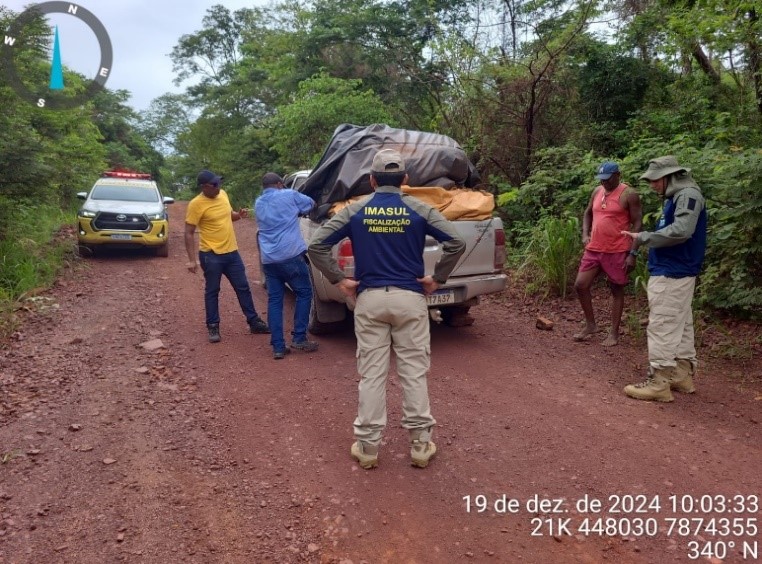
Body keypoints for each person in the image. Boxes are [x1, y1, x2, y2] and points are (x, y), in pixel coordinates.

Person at [308, 149, 466, 470]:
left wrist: (340, 280)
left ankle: (367, 447)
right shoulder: (419, 208)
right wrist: (437, 278)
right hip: (410, 299)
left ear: (372, 180)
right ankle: (421, 445)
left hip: (369, 300)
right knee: (413, 372)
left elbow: (316, 245)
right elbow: (456, 242)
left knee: (372, 374)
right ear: (405, 180)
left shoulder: (356, 210)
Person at [621, 156, 707, 402]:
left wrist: (644, 237)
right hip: (676, 269)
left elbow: (681, 231)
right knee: (680, 322)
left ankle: (658, 382)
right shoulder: (679, 196)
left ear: (670, 176)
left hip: (673, 270)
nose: (652, 185)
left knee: (662, 323)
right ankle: (681, 375)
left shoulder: (687, 195)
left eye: (655, 180)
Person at [185, 170, 269, 343]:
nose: (218, 187)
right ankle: (213, 326)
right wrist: (192, 260)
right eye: (214, 184)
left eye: (219, 183)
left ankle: (254, 322)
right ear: (204, 187)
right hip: (211, 255)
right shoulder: (196, 204)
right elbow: (188, 232)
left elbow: (229, 216)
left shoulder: (223, 194)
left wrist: (239, 215)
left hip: (232, 253)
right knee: (212, 291)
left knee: (243, 287)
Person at [573, 161, 642, 347]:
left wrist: (633, 253)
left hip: (617, 249)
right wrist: (585, 234)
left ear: (617, 175)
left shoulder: (629, 194)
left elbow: (638, 224)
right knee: (580, 284)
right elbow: (588, 213)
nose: (604, 182)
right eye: (601, 179)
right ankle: (590, 325)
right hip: (594, 248)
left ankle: (613, 333)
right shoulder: (597, 191)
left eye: (608, 179)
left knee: (616, 289)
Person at [255, 172, 319, 360]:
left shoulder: (258, 203)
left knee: (275, 301)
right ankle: (299, 338)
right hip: (290, 256)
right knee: (304, 292)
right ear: (280, 184)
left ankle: (278, 346)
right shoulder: (289, 194)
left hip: (269, 259)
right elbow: (311, 204)